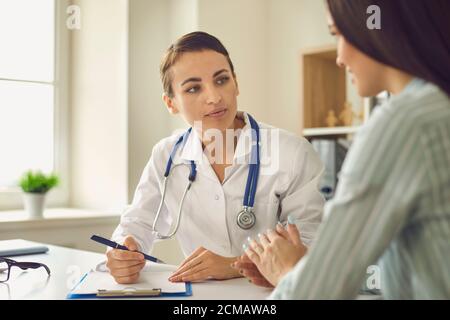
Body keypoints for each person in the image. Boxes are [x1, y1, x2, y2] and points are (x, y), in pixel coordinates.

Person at [236, 0, 450, 299]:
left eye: (338, 35)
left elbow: (313, 295)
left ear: (378, 28)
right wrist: (307, 266)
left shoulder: (403, 124)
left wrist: (290, 276)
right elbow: (415, 264)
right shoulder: (436, 109)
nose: (339, 58)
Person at [105, 31, 325, 284]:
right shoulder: (166, 155)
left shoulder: (292, 153)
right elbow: (136, 224)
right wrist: (122, 251)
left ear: (236, 83)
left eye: (221, 80)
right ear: (171, 103)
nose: (214, 97)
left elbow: (311, 244)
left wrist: (235, 265)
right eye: (193, 88)